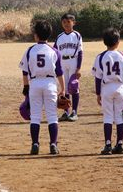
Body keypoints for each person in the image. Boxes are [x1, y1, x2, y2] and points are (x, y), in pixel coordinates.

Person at [20, 20, 65, 155]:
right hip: (50, 83)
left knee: (35, 117)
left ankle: (35, 144)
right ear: (49, 34)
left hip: (35, 83)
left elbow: (24, 71)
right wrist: (63, 89)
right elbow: (59, 72)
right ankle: (53, 144)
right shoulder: (54, 51)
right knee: (52, 116)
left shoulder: (29, 51)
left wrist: (26, 86)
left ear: (36, 35)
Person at [92, 28, 123, 155]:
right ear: (118, 42)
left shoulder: (101, 56)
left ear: (104, 42)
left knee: (108, 116)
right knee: (119, 116)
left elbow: (98, 77)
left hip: (107, 87)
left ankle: (108, 144)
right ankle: (120, 144)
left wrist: (98, 93)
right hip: (120, 87)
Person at [54, 13, 83, 122]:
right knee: (65, 87)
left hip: (73, 61)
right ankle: (66, 112)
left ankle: (74, 112)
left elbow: (80, 52)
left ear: (73, 23)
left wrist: (78, 68)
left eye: (68, 22)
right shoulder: (59, 37)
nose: (66, 24)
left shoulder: (77, 35)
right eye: (64, 22)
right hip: (62, 62)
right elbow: (55, 52)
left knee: (73, 86)